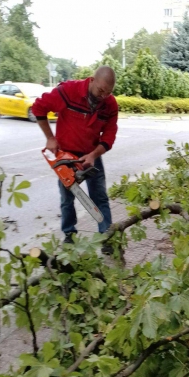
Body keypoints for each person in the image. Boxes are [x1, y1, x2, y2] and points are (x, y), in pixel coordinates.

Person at [32, 67, 118, 251]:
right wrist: (50, 137)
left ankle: (106, 238)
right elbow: (39, 107)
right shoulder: (68, 92)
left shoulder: (110, 104)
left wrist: (94, 155)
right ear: (92, 81)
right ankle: (69, 236)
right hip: (67, 157)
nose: (103, 96)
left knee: (99, 198)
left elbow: (109, 135)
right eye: (100, 90)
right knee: (67, 199)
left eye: (108, 92)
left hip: (91, 155)